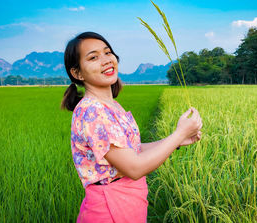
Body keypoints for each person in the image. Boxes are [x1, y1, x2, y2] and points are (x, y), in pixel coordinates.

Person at [61, 31, 203, 223]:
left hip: (127, 204)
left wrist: (177, 141)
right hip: (110, 210)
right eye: (93, 57)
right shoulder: (92, 111)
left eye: (108, 52)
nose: (106, 60)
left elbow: (131, 151)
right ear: (77, 73)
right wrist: (178, 135)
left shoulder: (111, 107)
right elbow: (134, 167)